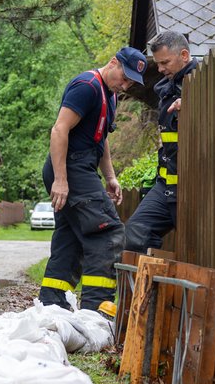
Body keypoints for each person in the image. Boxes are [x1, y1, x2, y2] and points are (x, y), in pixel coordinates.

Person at [39, 47, 147, 314]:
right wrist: (61, 180)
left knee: (71, 236)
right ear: (113, 62)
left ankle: (52, 302)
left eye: (131, 82)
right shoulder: (86, 86)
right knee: (107, 231)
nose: (125, 85)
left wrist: (110, 177)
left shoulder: (109, 95)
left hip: (82, 165)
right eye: (124, 77)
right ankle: (96, 308)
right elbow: (59, 130)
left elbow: (102, 139)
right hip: (70, 167)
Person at [124, 31, 198, 253]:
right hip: (166, 186)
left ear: (184, 55)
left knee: (194, 248)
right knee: (134, 233)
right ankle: (147, 288)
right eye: (158, 63)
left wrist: (193, 104)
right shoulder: (166, 89)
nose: (160, 69)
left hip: (193, 187)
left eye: (165, 62)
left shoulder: (206, 80)